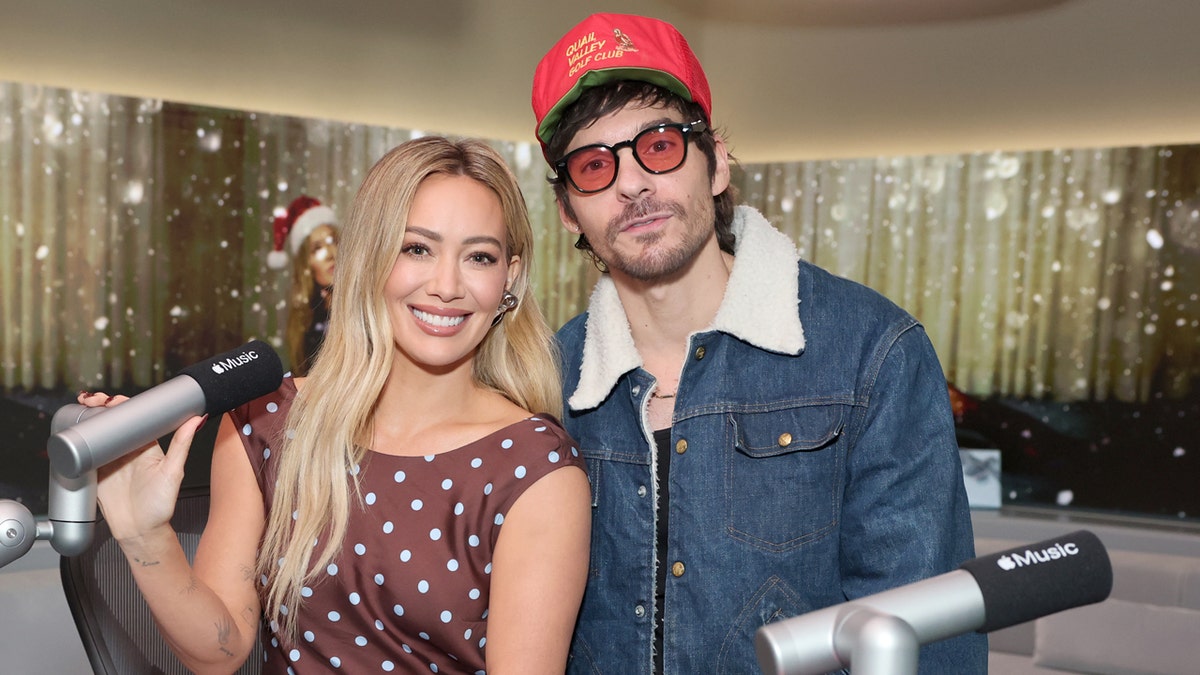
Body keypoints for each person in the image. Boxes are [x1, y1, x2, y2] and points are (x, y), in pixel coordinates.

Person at [530, 13, 988, 674]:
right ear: (569, 210)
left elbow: (928, 633)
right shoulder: (546, 382)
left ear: (715, 161)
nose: (632, 184)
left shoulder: (870, 353)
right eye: (594, 165)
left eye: (658, 146)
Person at [81, 137, 591, 674]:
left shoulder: (534, 468)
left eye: (479, 257)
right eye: (416, 248)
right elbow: (220, 652)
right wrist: (144, 533)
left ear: (507, 279)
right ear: (369, 256)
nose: (446, 286)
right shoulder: (265, 420)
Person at [267, 195, 339, 376]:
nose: (330, 254)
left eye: (333, 242)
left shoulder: (366, 303)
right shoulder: (306, 319)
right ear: (306, 263)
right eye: (317, 248)